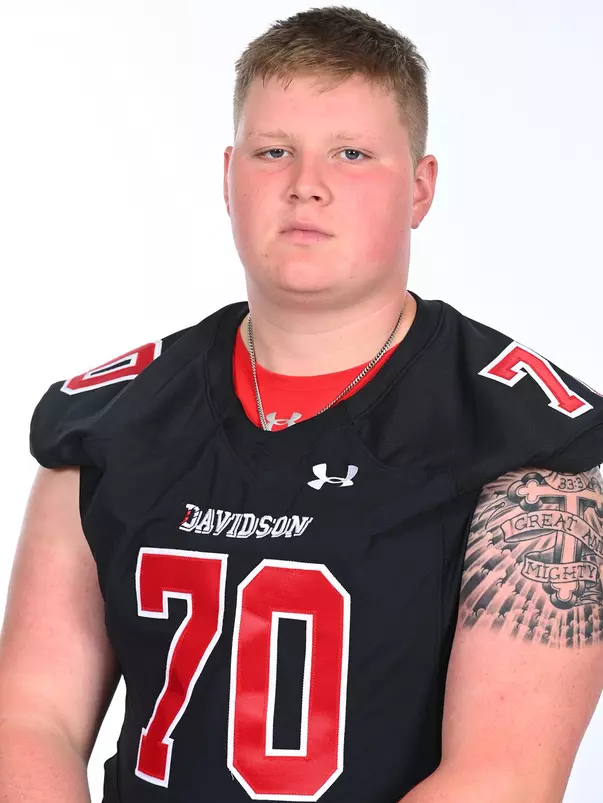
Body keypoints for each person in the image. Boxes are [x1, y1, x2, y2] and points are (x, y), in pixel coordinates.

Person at [1, 6, 602, 802]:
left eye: (351, 154)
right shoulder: (109, 419)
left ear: (419, 188)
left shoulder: (522, 441)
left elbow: (505, 775)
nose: (305, 185)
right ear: (228, 176)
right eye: (273, 151)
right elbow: (31, 714)